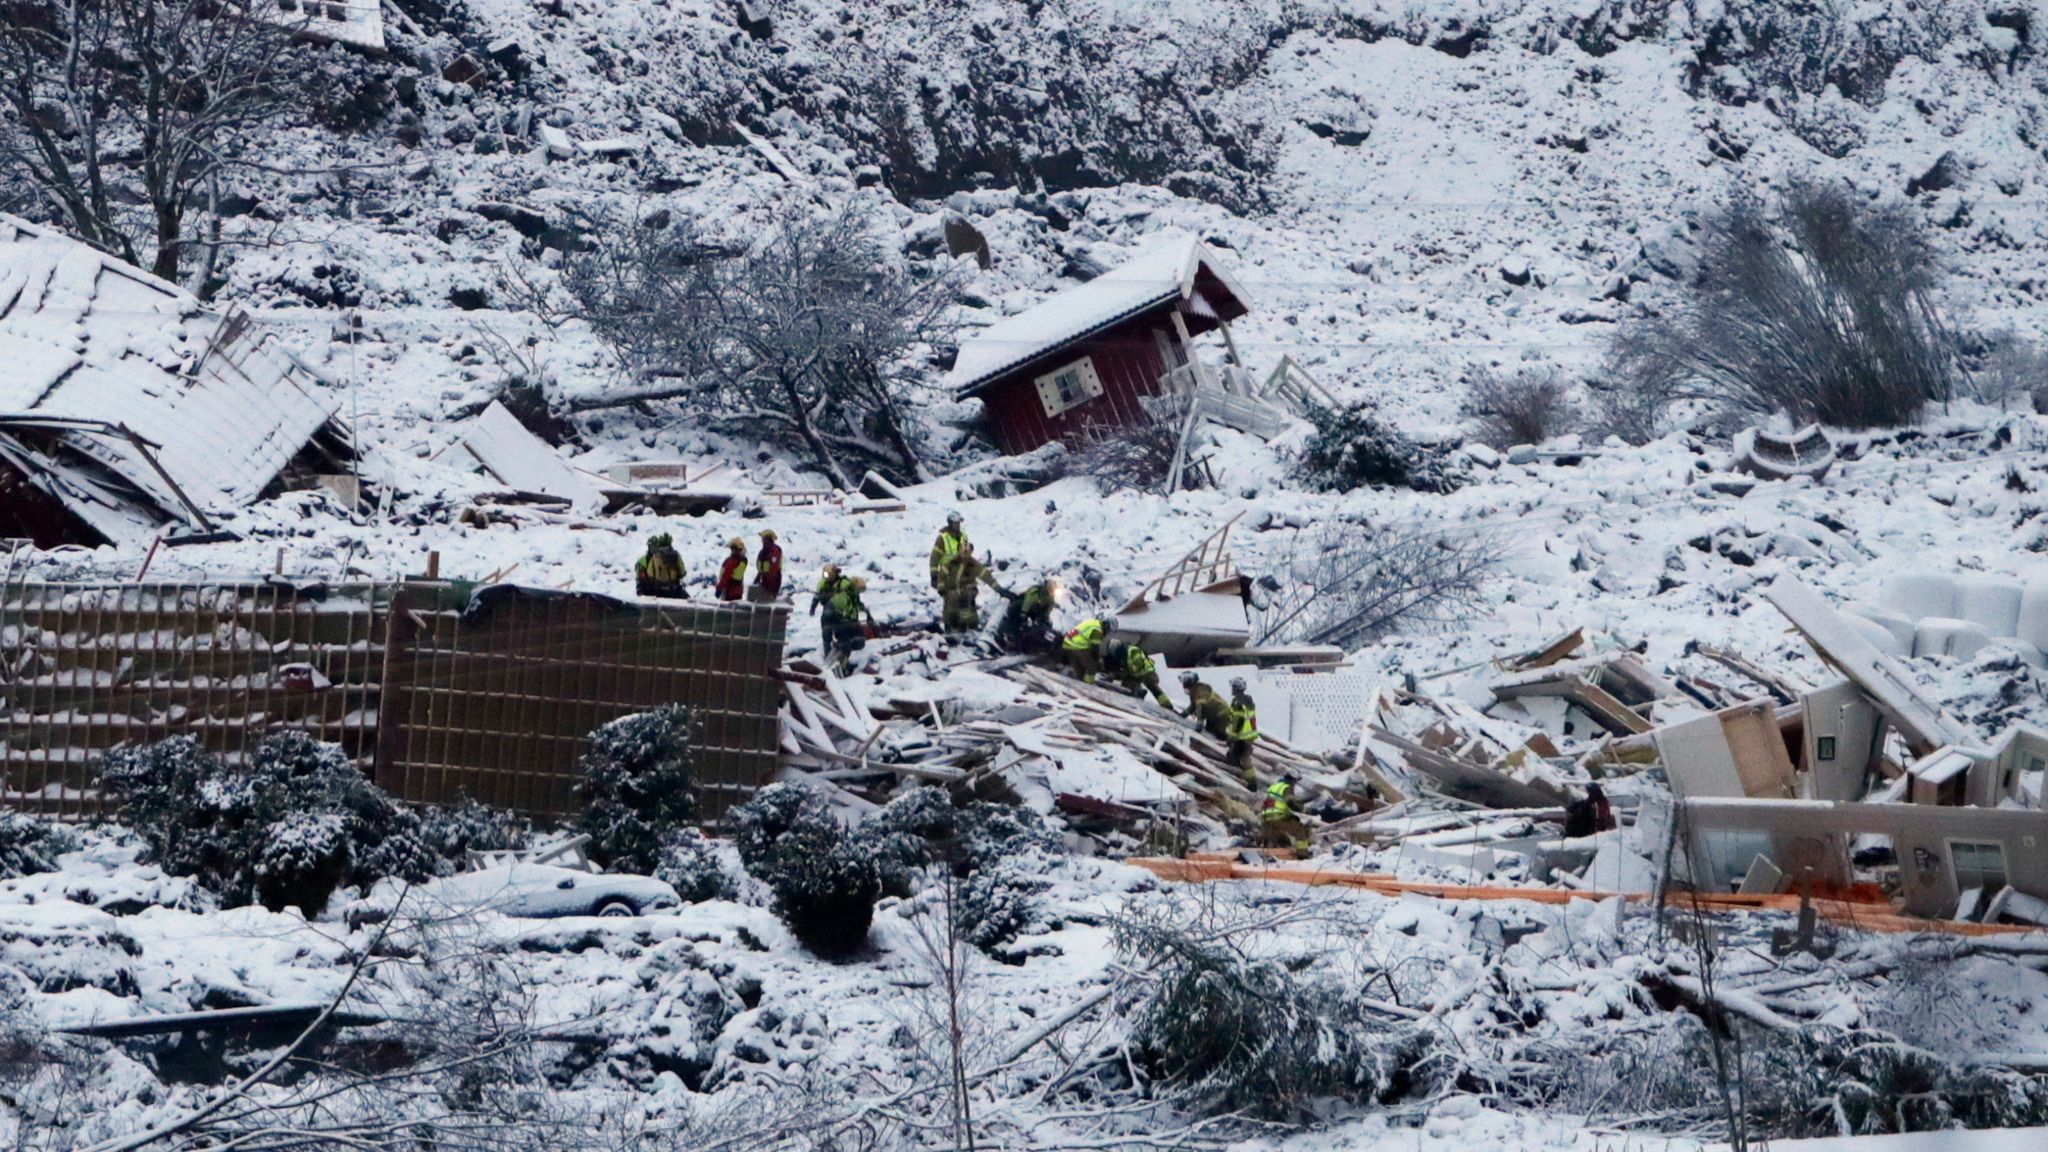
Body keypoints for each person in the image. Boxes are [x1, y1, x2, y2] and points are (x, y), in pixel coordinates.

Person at [940, 542, 1002, 634]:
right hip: (951, 591)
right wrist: (941, 586)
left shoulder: (974, 564)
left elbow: (986, 575)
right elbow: (942, 574)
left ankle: (967, 626)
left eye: (967, 552)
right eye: (963, 552)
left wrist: (998, 589)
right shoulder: (951, 563)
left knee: (966, 605)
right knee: (950, 606)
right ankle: (949, 627)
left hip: (967, 591)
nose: (965, 555)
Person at [995, 577, 1059, 653]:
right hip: (1022, 606)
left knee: (1044, 626)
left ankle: (1042, 643)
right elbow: (1028, 602)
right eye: (1051, 587)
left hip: (1036, 610)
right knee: (1016, 622)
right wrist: (1023, 614)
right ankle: (1011, 639)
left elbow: (1048, 608)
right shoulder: (1036, 591)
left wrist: (1044, 618)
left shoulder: (1050, 597)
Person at [825, 575, 872, 675]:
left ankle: (845, 657)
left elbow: (856, 605)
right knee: (845, 645)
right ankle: (842, 666)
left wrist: (864, 609)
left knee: (860, 641)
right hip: (841, 624)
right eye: (859, 590)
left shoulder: (853, 596)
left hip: (851, 622)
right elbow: (832, 613)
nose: (860, 592)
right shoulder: (842, 598)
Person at [1104, 638, 1170, 706]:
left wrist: (1127, 673)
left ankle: (1166, 704)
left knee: (1152, 686)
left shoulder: (1132, 651)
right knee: (1127, 683)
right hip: (1137, 674)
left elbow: (1139, 665)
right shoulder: (1124, 655)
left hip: (1146, 672)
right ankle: (1137, 694)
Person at [1259, 774, 1310, 857]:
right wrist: (1303, 810)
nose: (1295, 784)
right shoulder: (1287, 787)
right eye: (1295, 782)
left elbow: (1277, 803)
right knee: (1301, 831)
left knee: (1275, 837)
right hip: (1278, 817)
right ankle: (1303, 856)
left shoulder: (1274, 787)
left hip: (1265, 818)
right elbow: (1290, 803)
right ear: (1292, 781)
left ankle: (1270, 856)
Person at [1180, 672, 1231, 739]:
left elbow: (1200, 707)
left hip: (1221, 714)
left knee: (1220, 734)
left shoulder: (1201, 690)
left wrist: (1199, 722)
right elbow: (1193, 706)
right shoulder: (1194, 691)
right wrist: (1182, 715)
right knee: (1209, 732)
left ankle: (1233, 745)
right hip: (1212, 715)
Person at [634, 533, 686, 599]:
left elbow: (643, 578)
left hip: (654, 590)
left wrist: (640, 592)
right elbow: (683, 573)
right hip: (673, 590)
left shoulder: (648, 559)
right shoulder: (676, 555)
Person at [1227, 676, 1259, 779]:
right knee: (1243, 758)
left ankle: (1249, 781)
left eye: (1233, 687)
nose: (1231, 689)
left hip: (1241, 736)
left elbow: (1238, 720)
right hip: (1249, 735)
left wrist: (1231, 736)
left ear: (1236, 688)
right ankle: (1248, 780)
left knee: (1235, 759)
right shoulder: (1248, 699)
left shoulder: (1238, 702)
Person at [929, 512, 968, 597]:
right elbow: (934, 558)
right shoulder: (942, 539)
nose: (958, 525)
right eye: (956, 523)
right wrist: (934, 576)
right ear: (950, 523)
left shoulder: (963, 537)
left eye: (959, 523)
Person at [1061, 617, 1106, 683]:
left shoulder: (1092, 622)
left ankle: (1075, 680)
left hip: (1067, 643)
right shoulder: (1097, 630)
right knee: (1092, 666)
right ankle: (1087, 684)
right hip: (1076, 646)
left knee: (1078, 667)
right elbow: (1095, 649)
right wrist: (1099, 660)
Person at [751, 529, 783, 601]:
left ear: (768, 539)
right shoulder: (764, 551)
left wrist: (770, 583)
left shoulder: (774, 551)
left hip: (773, 580)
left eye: (763, 539)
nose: (762, 541)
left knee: (768, 599)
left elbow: (773, 568)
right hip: (764, 578)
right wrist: (758, 577)